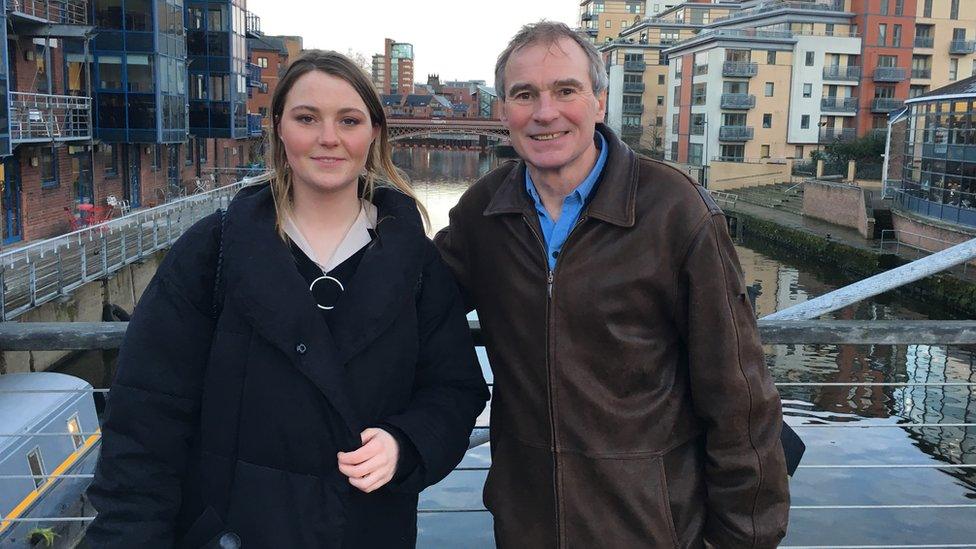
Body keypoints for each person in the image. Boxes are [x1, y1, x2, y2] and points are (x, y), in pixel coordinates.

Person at [85, 50, 489, 549]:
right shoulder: (212, 252)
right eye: (306, 118)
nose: (328, 138)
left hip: (365, 529)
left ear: (374, 133)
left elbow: (454, 390)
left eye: (348, 120)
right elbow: (146, 416)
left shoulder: (416, 263)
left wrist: (406, 445)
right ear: (279, 127)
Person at [435, 22, 790, 548]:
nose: (545, 112)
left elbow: (738, 395)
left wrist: (744, 537)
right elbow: (406, 302)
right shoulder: (483, 213)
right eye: (524, 94)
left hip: (652, 526)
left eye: (565, 90)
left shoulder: (674, 210)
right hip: (527, 523)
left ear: (599, 101)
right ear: (502, 111)